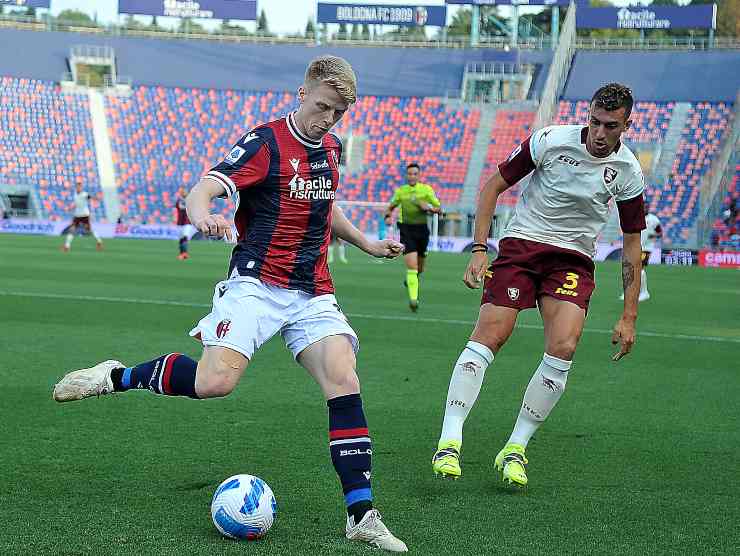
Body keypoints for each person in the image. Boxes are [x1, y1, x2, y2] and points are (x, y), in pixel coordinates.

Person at [52, 56, 408, 552]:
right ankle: (116, 376)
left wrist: (367, 243)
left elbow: (325, 207)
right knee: (213, 382)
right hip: (257, 284)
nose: (327, 119)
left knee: (344, 379)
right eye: (323, 106)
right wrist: (201, 215)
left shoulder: (331, 146)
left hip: (312, 290)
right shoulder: (265, 142)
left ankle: (361, 514)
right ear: (302, 92)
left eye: (338, 113)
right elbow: (207, 186)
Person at [431, 83, 646, 487]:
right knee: (492, 334)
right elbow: (493, 186)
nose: (600, 133)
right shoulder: (549, 140)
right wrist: (480, 248)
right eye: (595, 122)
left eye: (611, 126)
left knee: (564, 346)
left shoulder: (630, 172)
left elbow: (633, 244)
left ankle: (515, 448)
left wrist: (629, 314)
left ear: (626, 125)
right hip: (522, 246)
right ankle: (449, 440)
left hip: (573, 259)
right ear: (588, 115)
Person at [384, 163, 441, 311]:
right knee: (412, 267)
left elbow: (439, 209)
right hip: (406, 230)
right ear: (406, 175)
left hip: (422, 231)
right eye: (409, 174)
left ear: (419, 175)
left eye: (415, 174)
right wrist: (388, 217)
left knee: (420, 268)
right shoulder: (401, 192)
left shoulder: (426, 190)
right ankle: (413, 300)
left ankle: (411, 280)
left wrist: (427, 207)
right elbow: (391, 207)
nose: (412, 176)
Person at [623, 207, 661, 302]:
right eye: (643, 207)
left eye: (646, 207)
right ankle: (629, 293)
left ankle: (644, 292)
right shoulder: (635, 217)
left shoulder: (654, 219)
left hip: (646, 248)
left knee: (640, 269)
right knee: (629, 268)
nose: (645, 209)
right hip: (635, 247)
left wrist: (653, 235)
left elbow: (660, 233)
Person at [62, 180, 103, 252]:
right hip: (77, 215)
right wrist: (69, 208)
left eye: (80, 187)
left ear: (81, 188)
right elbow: (76, 204)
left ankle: (99, 241)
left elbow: (90, 197)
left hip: (85, 215)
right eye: (77, 187)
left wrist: (97, 198)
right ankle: (67, 246)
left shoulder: (84, 194)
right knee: (72, 229)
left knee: (89, 230)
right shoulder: (75, 194)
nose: (79, 188)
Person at [175, 187, 196, 260]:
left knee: (185, 237)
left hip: (188, 222)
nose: (182, 193)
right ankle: (182, 253)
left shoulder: (190, 200)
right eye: (180, 191)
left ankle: (184, 253)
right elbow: (179, 208)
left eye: (182, 191)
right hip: (180, 223)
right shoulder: (179, 201)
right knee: (181, 239)